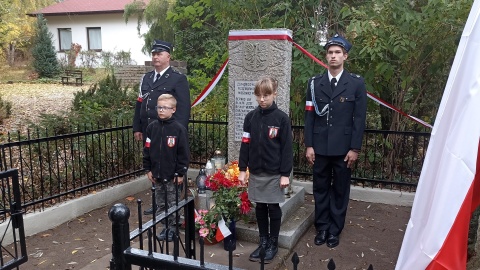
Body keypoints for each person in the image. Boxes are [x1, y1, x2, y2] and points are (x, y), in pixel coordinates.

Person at [304, 34, 367, 248]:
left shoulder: (356, 84)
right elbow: (310, 116)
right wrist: (309, 145)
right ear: (326, 57)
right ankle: (322, 227)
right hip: (320, 148)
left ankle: (334, 230)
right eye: (330, 52)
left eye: (337, 52)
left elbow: (359, 119)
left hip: (343, 149)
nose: (333, 56)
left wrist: (355, 148)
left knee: (340, 190)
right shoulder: (315, 83)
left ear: (345, 56)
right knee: (320, 188)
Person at [238, 76, 293, 263]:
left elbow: (286, 148)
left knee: (272, 207)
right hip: (257, 171)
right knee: (260, 206)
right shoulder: (250, 118)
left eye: (266, 95)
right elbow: (245, 144)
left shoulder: (282, 119)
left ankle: (273, 243)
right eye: (259, 95)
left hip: (274, 173)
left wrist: (285, 174)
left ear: (274, 94)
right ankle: (263, 242)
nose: (262, 99)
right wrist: (243, 169)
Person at [133, 39, 191, 215]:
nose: (156, 56)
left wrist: (177, 132)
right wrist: (137, 127)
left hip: (169, 133)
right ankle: (158, 202)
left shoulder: (177, 78)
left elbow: (183, 108)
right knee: (154, 165)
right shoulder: (147, 78)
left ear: (168, 56)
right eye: (153, 54)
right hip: (151, 131)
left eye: (159, 53)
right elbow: (140, 103)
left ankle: (174, 204)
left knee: (172, 168)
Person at [143, 94, 190, 242]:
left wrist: (180, 172)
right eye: (159, 107)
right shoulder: (151, 128)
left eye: (165, 107)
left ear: (173, 109)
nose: (161, 110)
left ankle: (173, 228)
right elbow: (147, 149)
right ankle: (165, 226)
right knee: (161, 203)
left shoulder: (178, 129)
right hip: (157, 174)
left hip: (172, 176)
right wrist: (148, 169)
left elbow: (183, 153)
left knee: (173, 203)